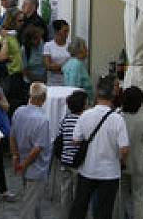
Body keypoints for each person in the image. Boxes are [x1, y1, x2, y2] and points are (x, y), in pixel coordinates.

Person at [68, 75, 130, 219]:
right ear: (113, 96)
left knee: (80, 206)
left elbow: (76, 140)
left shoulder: (85, 115)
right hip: (109, 172)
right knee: (104, 210)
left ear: (97, 94)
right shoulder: (118, 119)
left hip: (88, 169)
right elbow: (124, 148)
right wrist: (122, 160)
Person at [10, 82, 51, 219]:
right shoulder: (43, 120)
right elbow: (37, 149)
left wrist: (16, 158)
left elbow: (12, 137)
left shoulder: (19, 111)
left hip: (22, 161)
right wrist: (24, 164)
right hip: (35, 167)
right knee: (31, 206)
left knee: (33, 203)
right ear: (44, 98)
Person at [118, 86, 143, 219]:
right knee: (140, 197)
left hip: (121, 162)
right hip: (139, 163)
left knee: (121, 195)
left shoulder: (117, 117)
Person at [55, 90, 87, 219]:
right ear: (83, 105)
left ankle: (65, 215)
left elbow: (59, 137)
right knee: (78, 194)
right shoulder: (83, 120)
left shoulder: (66, 119)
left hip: (65, 160)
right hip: (78, 163)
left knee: (65, 193)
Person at [63, 37, 94, 102]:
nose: (87, 50)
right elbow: (74, 87)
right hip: (80, 104)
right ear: (80, 50)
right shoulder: (76, 64)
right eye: (85, 47)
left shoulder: (72, 62)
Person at [43, 20, 70, 86]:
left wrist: (56, 66)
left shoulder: (70, 45)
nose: (67, 34)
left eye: (68, 31)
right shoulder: (48, 45)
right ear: (57, 31)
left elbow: (72, 66)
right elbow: (48, 65)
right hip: (52, 82)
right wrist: (64, 66)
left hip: (67, 81)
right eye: (65, 31)